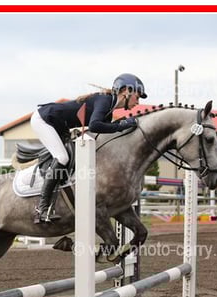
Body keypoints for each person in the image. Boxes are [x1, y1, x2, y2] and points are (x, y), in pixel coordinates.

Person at [30, 73, 147, 223]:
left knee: (69, 157)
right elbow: (95, 125)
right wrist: (121, 125)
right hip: (44, 119)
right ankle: (42, 208)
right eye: (137, 97)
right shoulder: (105, 100)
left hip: (59, 125)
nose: (137, 102)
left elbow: (102, 130)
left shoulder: (109, 110)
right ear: (126, 91)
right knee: (62, 157)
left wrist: (122, 125)